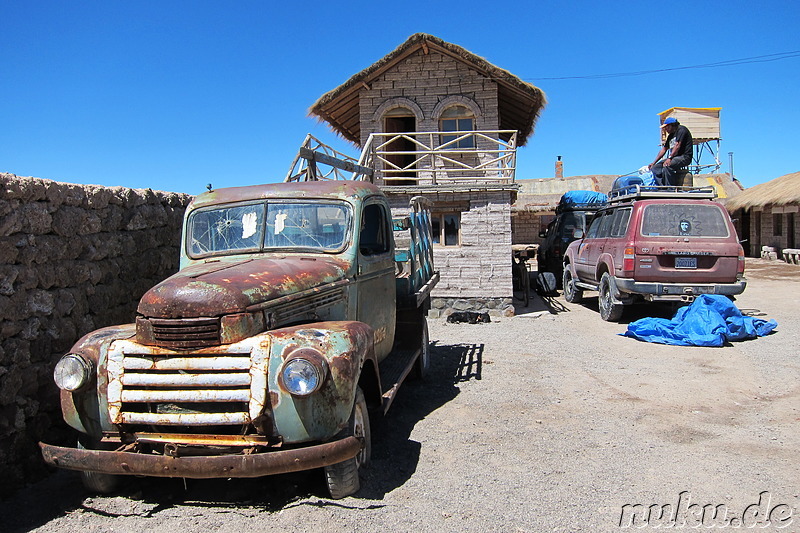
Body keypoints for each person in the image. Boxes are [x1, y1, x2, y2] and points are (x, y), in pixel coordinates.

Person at [648, 117, 693, 186]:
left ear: (671, 125)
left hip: (684, 157)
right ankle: (661, 187)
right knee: (655, 168)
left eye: (666, 127)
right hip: (673, 158)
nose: (665, 129)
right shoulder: (670, 136)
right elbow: (664, 149)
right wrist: (654, 163)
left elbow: (677, 145)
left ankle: (670, 188)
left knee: (667, 165)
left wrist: (670, 158)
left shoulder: (681, 130)